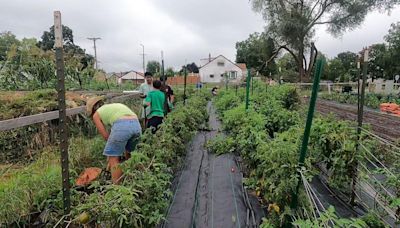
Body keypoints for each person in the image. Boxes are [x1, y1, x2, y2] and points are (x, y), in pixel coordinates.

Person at [86, 96, 141, 184]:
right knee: (130, 154)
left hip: (122, 125)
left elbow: (106, 136)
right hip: (136, 125)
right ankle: (132, 180)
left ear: (92, 110)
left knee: (113, 158)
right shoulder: (113, 107)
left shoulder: (96, 115)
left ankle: (117, 187)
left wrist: (111, 154)